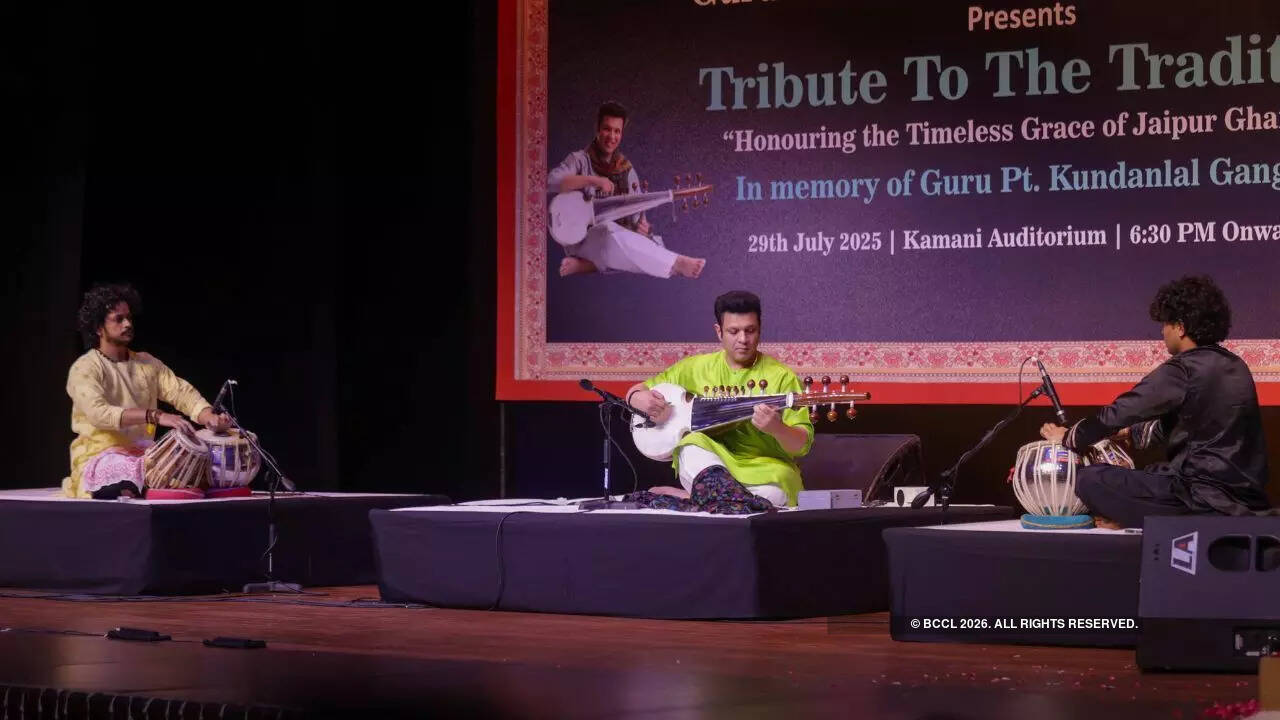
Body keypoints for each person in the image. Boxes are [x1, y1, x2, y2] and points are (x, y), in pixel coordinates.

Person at [1039, 275, 1271, 528]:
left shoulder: (1184, 368)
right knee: (1151, 473)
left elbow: (1119, 412)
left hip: (1203, 499)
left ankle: (1147, 518)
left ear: (1180, 327)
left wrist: (1068, 437)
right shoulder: (1237, 366)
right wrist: (1130, 434)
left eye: (1165, 324)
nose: (1163, 332)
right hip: (1245, 498)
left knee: (1089, 479)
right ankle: (1141, 516)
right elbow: (1194, 425)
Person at [625, 291, 813, 507]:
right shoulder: (694, 368)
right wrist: (636, 398)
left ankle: (692, 498)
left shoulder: (782, 377)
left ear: (759, 329)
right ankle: (724, 498)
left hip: (764, 471)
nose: (743, 339)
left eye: (750, 331)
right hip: (711, 463)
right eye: (734, 331)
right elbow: (640, 390)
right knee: (690, 444)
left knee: (774, 495)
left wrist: (777, 428)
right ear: (719, 331)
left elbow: (801, 445)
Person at [64, 283, 231, 498]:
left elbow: (180, 391)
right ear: (98, 327)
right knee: (120, 469)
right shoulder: (85, 368)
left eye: (129, 318)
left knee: (199, 466)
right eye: (118, 319)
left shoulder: (146, 363)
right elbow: (99, 414)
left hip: (146, 455)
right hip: (99, 456)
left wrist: (208, 416)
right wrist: (155, 416)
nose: (127, 324)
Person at [547, 101, 705, 279]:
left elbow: (634, 223)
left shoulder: (626, 170)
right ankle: (675, 263)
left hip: (611, 242)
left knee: (642, 240)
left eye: (617, 131)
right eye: (607, 129)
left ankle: (590, 266)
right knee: (608, 231)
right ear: (597, 130)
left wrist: (642, 229)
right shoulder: (579, 160)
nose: (611, 136)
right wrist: (593, 180)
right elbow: (551, 182)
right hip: (579, 241)